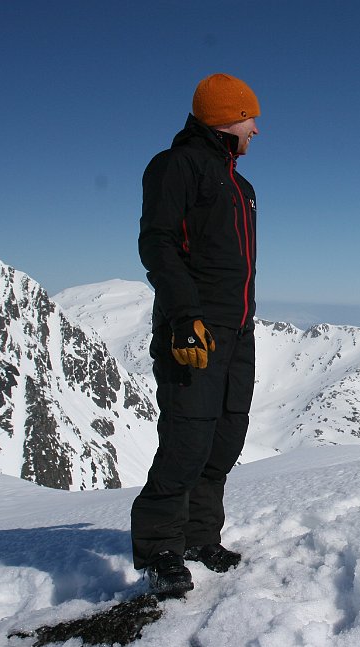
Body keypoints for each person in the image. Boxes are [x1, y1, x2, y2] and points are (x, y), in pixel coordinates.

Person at [131, 73, 261, 596]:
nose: (257, 129)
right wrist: (185, 316)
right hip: (195, 327)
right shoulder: (175, 166)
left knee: (225, 435)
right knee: (187, 437)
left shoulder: (240, 185)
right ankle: (159, 548)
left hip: (237, 326)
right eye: (251, 118)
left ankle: (200, 537)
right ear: (227, 118)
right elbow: (158, 242)